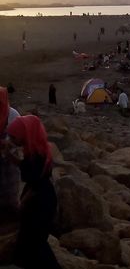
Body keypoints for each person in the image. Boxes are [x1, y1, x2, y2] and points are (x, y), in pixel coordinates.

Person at [6, 115, 62, 268]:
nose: (11, 140)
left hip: (40, 202)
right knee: (31, 241)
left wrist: (23, 202)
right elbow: (27, 169)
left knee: (35, 243)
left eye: (13, 136)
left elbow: (31, 177)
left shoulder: (36, 154)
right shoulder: (36, 148)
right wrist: (11, 156)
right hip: (40, 198)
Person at [1, 86, 21, 219]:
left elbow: (21, 137)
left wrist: (9, 144)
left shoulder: (13, 114)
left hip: (11, 155)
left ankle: (12, 206)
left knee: (12, 180)